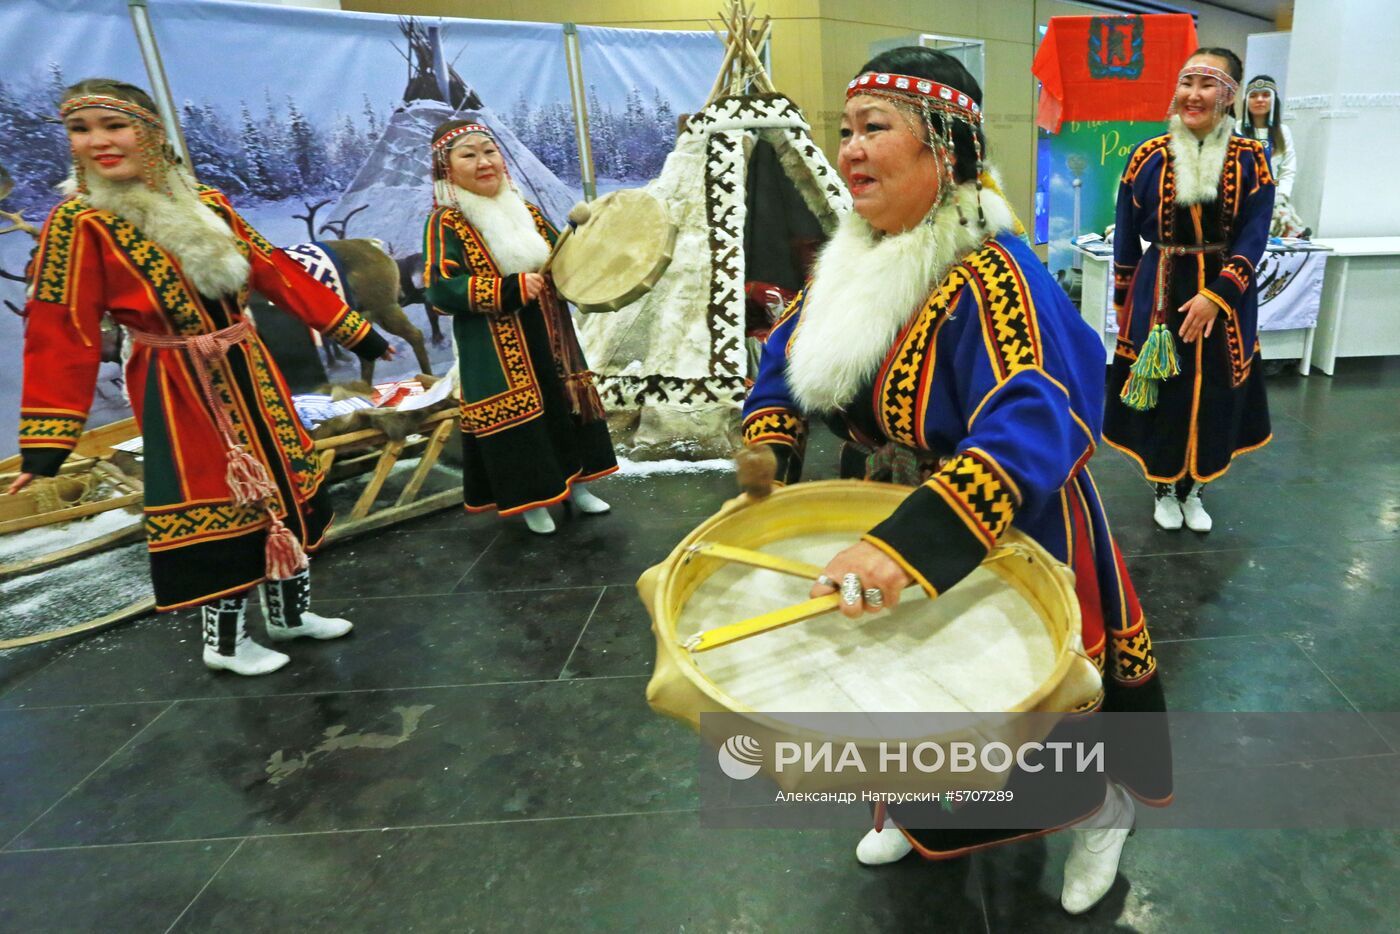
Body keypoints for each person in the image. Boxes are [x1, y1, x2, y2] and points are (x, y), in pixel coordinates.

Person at [739, 47, 1170, 915]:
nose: (849, 150)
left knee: (1038, 706)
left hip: (1015, 521)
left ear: (947, 151)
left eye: (875, 130)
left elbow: (1038, 415)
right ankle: (911, 806)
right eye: (846, 131)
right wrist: (768, 448)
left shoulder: (998, 273)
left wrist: (914, 542)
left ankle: (1101, 814)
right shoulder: (857, 256)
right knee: (911, 691)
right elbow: (784, 360)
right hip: (892, 507)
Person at [7, 79, 393, 675]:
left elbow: (273, 271)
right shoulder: (80, 225)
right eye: (81, 131)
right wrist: (47, 442)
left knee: (283, 484)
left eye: (115, 126)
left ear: (151, 134)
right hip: (177, 381)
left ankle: (290, 614)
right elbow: (61, 330)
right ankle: (227, 643)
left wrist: (354, 329)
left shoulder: (208, 204)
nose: (98, 143)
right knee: (220, 500)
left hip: (247, 368)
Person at [1105, 49, 1274, 533]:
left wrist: (1218, 295)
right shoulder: (1148, 156)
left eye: (1206, 84)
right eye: (1186, 82)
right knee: (1164, 391)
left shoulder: (1251, 159)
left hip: (1227, 294)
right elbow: (1124, 234)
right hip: (1159, 291)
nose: (1192, 95)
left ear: (1229, 95)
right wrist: (1123, 299)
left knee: (1217, 389)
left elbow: (1254, 234)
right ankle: (1163, 486)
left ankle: (1195, 488)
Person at [422, 121, 616, 535]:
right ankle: (532, 500)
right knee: (522, 417)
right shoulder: (446, 223)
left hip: (548, 328)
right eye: (468, 155)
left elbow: (561, 256)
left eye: (489, 151)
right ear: (446, 168)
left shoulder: (524, 211)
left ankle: (577, 483)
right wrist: (506, 288)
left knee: (563, 402)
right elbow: (440, 289)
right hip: (495, 343)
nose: (483, 162)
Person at [1240, 74, 1309, 238]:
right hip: (1243, 199)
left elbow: (1288, 169)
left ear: (1274, 101)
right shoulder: (1237, 130)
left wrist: (1281, 195)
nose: (1260, 100)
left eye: (1265, 95)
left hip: (1274, 198)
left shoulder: (1283, 131)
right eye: (1254, 96)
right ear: (1246, 101)